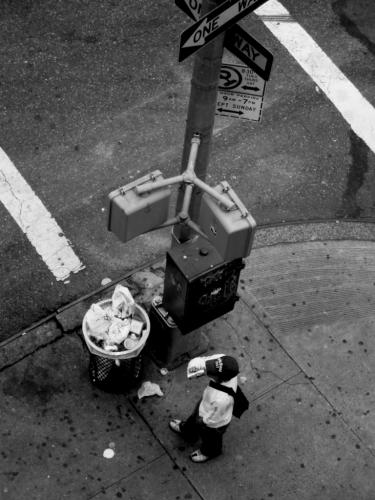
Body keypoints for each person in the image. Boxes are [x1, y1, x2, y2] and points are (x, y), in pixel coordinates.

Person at [169, 353, 239, 463]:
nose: (208, 371)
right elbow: (206, 360)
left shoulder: (222, 399)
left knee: (211, 437)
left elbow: (213, 417)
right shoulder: (224, 363)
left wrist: (203, 421)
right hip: (206, 403)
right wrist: (197, 366)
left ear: (221, 378)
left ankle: (210, 451)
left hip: (215, 422)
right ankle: (188, 431)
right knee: (194, 418)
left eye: (212, 372)